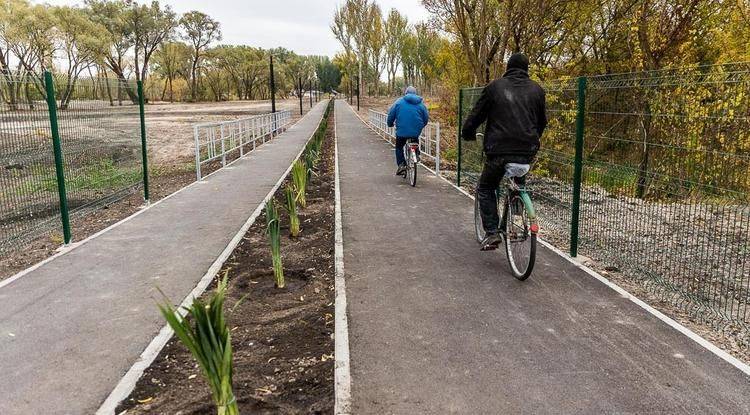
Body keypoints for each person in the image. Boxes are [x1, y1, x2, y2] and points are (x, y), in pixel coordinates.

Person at [461, 53, 547, 250]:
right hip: (526, 151)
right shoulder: (537, 90)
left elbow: (477, 115)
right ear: (527, 68)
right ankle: (517, 207)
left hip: (498, 151)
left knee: (486, 188)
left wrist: (468, 133)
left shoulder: (495, 87)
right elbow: (542, 122)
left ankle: (492, 233)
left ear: (508, 67)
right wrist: (531, 139)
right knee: (518, 180)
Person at [387, 86, 430, 175]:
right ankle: (416, 154)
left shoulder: (399, 102)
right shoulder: (421, 104)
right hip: (415, 131)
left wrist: (390, 124)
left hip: (401, 131)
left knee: (399, 147)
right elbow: (425, 118)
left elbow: (391, 115)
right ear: (415, 93)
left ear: (405, 93)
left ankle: (402, 165)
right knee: (414, 140)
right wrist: (421, 126)